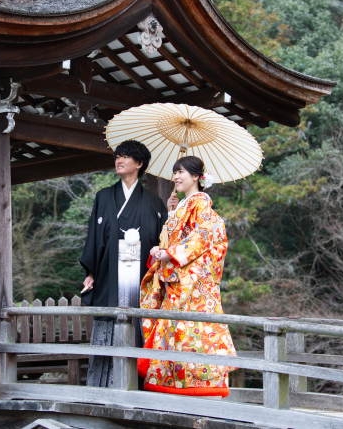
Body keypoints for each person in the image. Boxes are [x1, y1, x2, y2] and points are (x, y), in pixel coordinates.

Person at [139, 155, 236, 396]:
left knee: (191, 331)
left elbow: (202, 236)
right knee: (177, 331)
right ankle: (173, 383)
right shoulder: (182, 205)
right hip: (176, 281)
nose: (176, 177)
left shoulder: (200, 203)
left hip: (190, 284)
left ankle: (196, 386)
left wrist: (170, 253)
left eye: (182, 172)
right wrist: (170, 219)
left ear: (196, 177)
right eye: (175, 172)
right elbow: (173, 238)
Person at [79, 139, 167, 387]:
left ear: (139, 163)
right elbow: (94, 238)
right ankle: (101, 386)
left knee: (138, 323)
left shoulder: (155, 203)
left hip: (140, 275)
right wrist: (91, 272)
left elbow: (163, 243)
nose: (119, 160)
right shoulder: (103, 196)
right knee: (108, 323)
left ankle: (137, 385)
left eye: (126, 156)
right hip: (109, 273)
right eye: (117, 155)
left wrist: (171, 216)